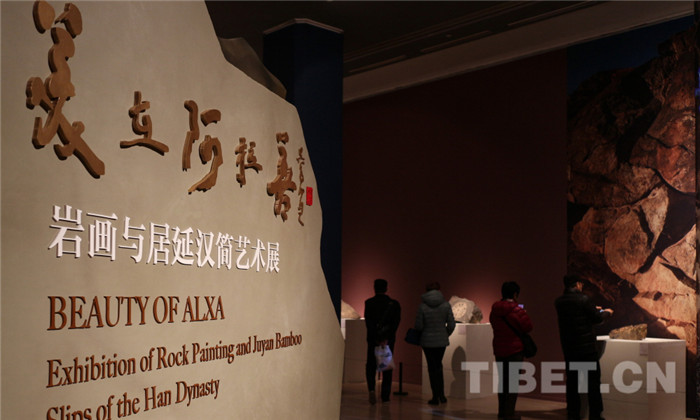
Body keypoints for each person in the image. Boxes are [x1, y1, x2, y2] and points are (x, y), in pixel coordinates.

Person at [555, 274, 613, 420]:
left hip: (570, 349)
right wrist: (607, 313)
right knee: (593, 383)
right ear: (578, 284)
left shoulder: (559, 302)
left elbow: (576, 315)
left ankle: (573, 414)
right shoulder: (583, 299)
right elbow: (597, 319)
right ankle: (595, 415)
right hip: (586, 350)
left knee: (573, 383)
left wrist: (592, 309)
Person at [489, 281, 533, 420]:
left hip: (499, 349)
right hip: (515, 350)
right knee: (512, 383)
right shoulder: (517, 310)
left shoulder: (495, 310)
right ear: (515, 294)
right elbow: (528, 327)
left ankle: (502, 412)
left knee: (502, 382)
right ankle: (509, 413)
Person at [414, 281, 455, 405]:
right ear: (439, 290)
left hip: (427, 341)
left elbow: (419, 326)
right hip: (441, 341)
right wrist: (445, 334)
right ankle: (442, 395)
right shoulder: (446, 305)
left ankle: (435, 397)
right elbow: (451, 324)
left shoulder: (422, 306)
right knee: (438, 366)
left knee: (432, 368)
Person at [364, 278, 401, 404]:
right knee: (386, 368)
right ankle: (385, 395)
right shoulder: (394, 304)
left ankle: (371, 389)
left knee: (371, 366)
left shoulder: (369, 303)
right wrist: (386, 338)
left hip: (373, 339)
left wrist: (376, 338)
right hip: (387, 340)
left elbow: (369, 323)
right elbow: (395, 323)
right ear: (386, 288)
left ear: (374, 288)